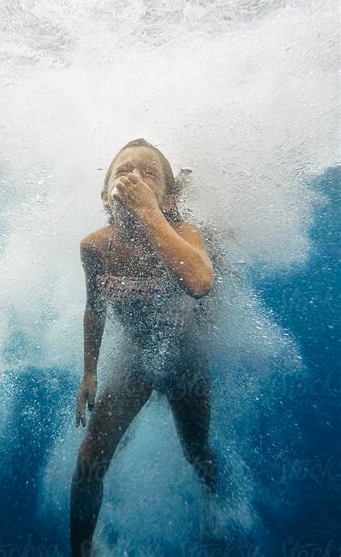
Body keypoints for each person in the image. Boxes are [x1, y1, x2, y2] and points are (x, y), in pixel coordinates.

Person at [70, 138, 218, 555]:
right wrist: (90, 371)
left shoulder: (184, 232)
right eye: (123, 170)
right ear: (105, 193)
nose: (133, 177)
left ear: (169, 198)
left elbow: (200, 283)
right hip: (135, 362)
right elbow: (94, 308)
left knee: (197, 449)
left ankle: (214, 511)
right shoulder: (94, 247)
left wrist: (151, 213)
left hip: (186, 363)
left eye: (148, 173)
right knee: (89, 461)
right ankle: (80, 549)